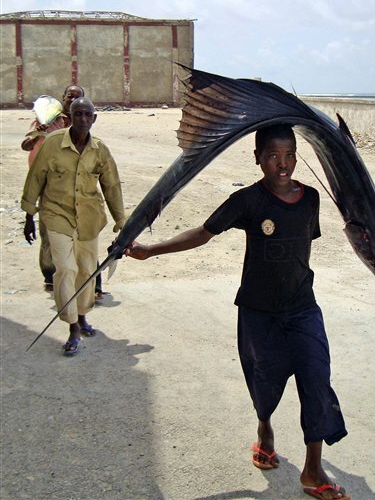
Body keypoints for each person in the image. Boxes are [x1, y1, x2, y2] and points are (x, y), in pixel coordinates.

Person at [125, 124, 350, 499]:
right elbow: (203, 232)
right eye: (274, 156)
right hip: (258, 312)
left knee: (317, 379)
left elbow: (303, 246)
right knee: (265, 381)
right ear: (258, 158)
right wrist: (152, 250)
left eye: (290, 155)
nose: (283, 164)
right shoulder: (247, 201)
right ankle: (265, 429)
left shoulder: (311, 198)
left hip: (302, 309)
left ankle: (313, 470)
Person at [21, 97, 126, 356]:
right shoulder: (53, 144)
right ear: (69, 117)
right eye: (77, 114)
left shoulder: (100, 150)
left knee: (87, 271)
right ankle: (72, 327)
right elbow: (35, 178)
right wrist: (29, 215)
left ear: (94, 119)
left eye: (86, 115)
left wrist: (121, 222)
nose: (82, 119)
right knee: (66, 269)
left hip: (89, 218)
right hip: (57, 215)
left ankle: (82, 315)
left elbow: (111, 186)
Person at [21, 84, 105, 298]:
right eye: (69, 96)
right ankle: (50, 277)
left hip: (75, 184)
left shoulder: (80, 120)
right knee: (50, 233)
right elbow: (26, 144)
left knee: (84, 233)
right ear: (63, 98)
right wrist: (40, 132)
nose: (72, 100)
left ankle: (93, 284)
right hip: (48, 183)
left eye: (76, 97)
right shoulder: (47, 117)